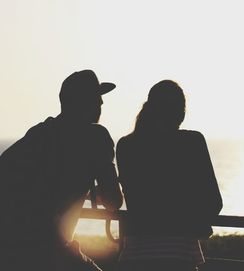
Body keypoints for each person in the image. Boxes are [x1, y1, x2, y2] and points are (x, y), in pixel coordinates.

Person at [0, 70, 123, 271]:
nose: (101, 103)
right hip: (51, 250)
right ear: (82, 102)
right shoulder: (96, 138)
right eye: (96, 97)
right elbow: (113, 201)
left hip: (13, 247)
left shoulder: (40, 133)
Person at [116, 80, 223, 271]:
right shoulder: (192, 142)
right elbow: (214, 202)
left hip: (134, 256)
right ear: (180, 113)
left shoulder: (126, 146)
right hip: (178, 255)